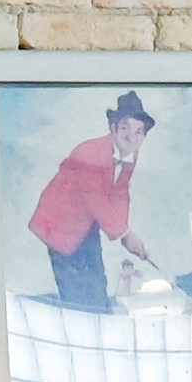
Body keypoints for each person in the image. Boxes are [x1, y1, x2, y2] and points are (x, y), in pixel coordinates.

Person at [26, 87, 160, 310]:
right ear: (113, 127)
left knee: (97, 282)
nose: (131, 136)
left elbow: (120, 192)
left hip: (87, 223)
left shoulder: (130, 154)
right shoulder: (88, 153)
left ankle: (101, 324)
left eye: (139, 131)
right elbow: (95, 198)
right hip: (58, 224)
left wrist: (124, 232)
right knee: (74, 288)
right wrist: (125, 235)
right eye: (125, 127)